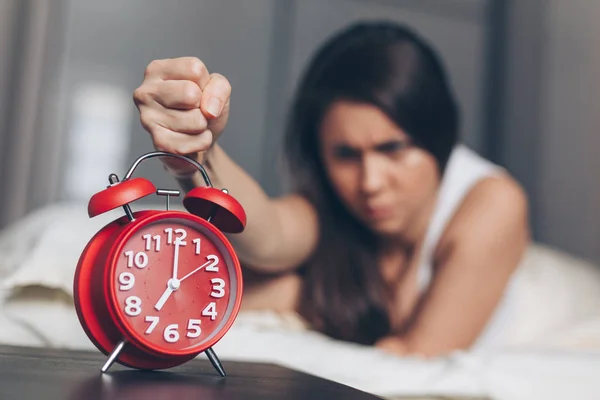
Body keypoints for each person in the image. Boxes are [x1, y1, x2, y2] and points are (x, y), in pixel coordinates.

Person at [133, 21, 529, 357]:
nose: (370, 183)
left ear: (437, 137)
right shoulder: (334, 205)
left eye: (392, 149)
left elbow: (418, 359)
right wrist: (197, 157)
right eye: (345, 155)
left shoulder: (493, 202)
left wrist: (298, 297)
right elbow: (270, 234)